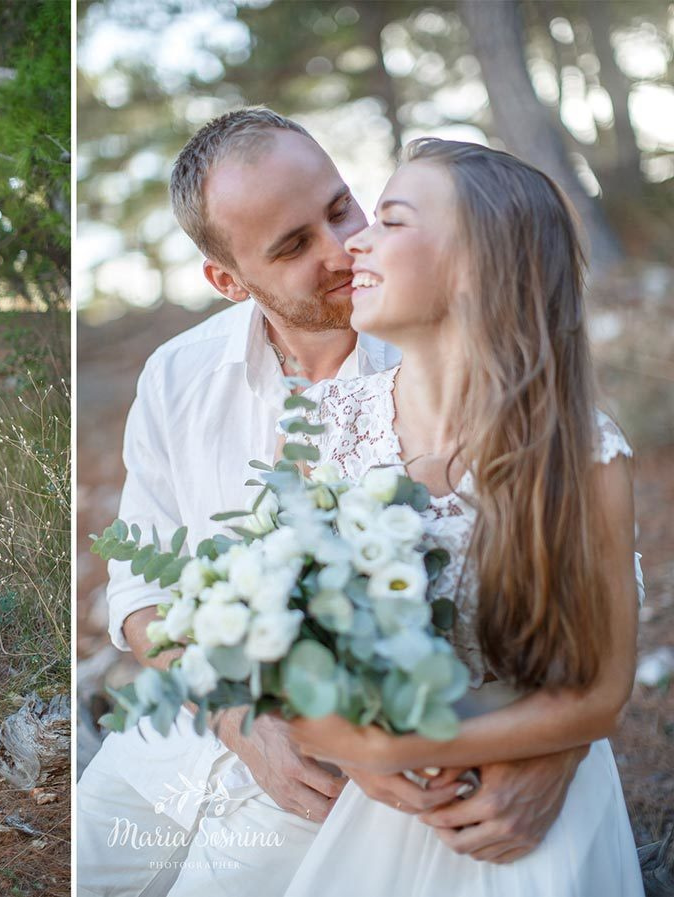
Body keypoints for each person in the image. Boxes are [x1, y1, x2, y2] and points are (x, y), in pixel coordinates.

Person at [76, 109, 600, 895]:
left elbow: (559, 603)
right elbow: (146, 595)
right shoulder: (177, 378)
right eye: (293, 246)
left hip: (348, 787)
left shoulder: (448, 362)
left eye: (341, 208)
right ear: (228, 279)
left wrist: (560, 752)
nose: (341, 250)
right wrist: (237, 720)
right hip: (175, 745)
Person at [278, 138, 643, 894]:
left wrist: (411, 739)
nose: (358, 241)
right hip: (386, 811)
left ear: (478, 264)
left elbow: (603, 693)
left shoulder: (583, 453)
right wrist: (361, 751)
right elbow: (290, 662)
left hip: (536, 822)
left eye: (393, 221)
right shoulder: (320, 432)